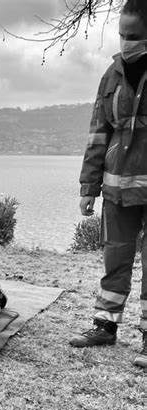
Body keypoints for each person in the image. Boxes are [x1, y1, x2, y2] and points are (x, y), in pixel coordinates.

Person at [70, 0, 147, 368]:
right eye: (122, 34)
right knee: (114, 256)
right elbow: (98, 135)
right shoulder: (111, 75)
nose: (126, 42)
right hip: (117, 189)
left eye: (134, 36)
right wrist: (89, 187)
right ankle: (105, 325)